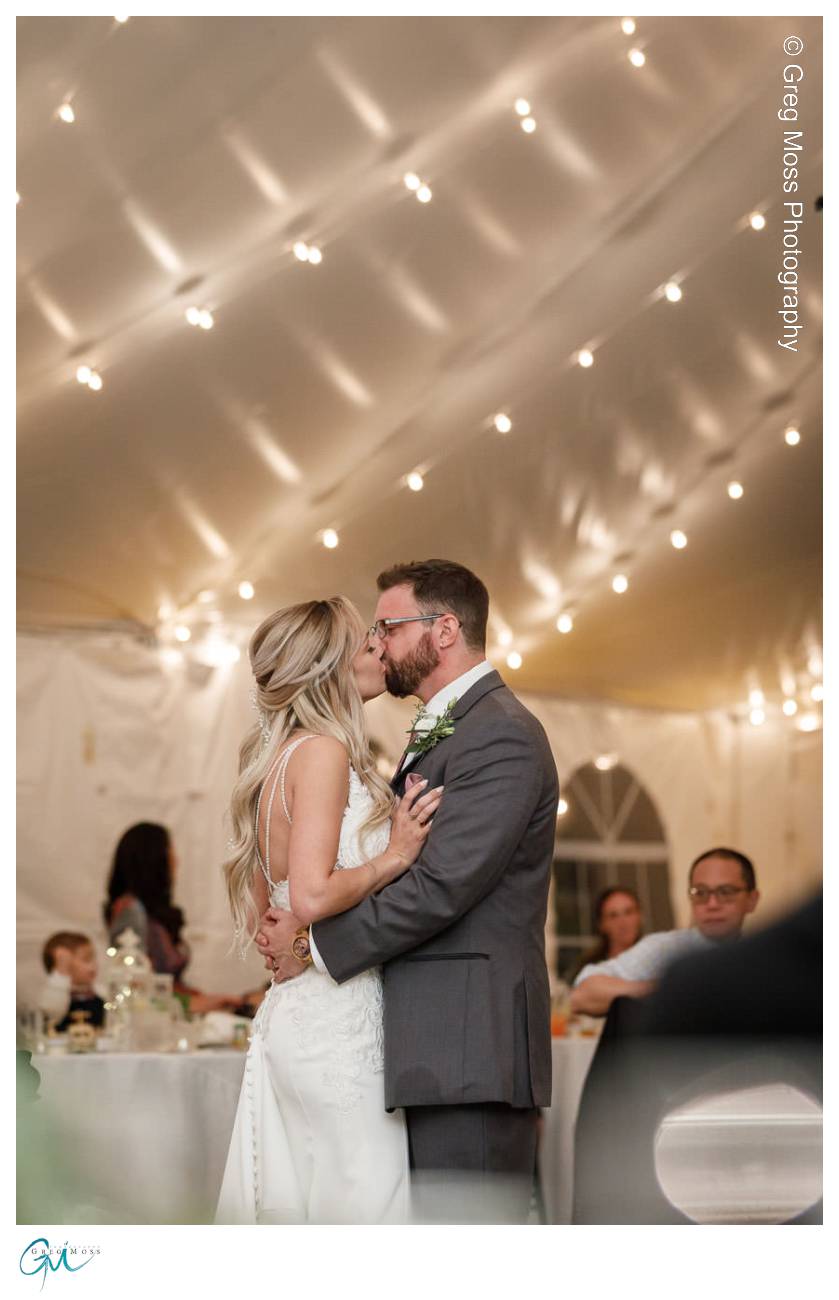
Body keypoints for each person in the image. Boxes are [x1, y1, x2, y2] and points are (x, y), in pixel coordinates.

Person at [254, 560, 559, 1223]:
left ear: (444, 630)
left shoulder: (500, 732)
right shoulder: (442, 727)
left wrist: (315, 945)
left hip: (467, 1046)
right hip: (419, 1046)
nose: (380, 644)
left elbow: (443, 885)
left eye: (389, 627)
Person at [215, 596, 443, 1224]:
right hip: (338, 1025)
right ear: (330, 668)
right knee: (364, 1214)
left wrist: (292, 938)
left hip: (297, 1017)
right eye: (365, 644)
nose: (379, 649)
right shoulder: (322, 753)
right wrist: (393, 857)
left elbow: (274, 909)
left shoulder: (274, 759)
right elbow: (312, 896)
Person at [570, 847, 760, 1017]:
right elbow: (583, 994)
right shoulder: (665, 948)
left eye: (725, 892)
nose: (712, 904)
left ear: (752, 899)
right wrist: (669, 988)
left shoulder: (768, 954)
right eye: (700, 893)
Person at [105, 822, 235, 1015]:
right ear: (153, 860)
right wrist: (193, 1003)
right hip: (154, 1022)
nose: (176, 860)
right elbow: (136, 987)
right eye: (170, 852)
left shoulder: (147, 911)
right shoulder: (131, 911)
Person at [570, 886, 643, 981]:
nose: (623, 922)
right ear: (602, 924)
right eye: (613, 916)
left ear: (640, 916)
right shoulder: (590, 968)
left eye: (628, 912)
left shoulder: (657, 960)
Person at [38, 931, 105, 1032]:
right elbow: (52, 1012)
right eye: (86, 959)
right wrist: (62, 971)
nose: (94, 964)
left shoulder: (98, 991)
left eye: (93, 958)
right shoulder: (55, 992)